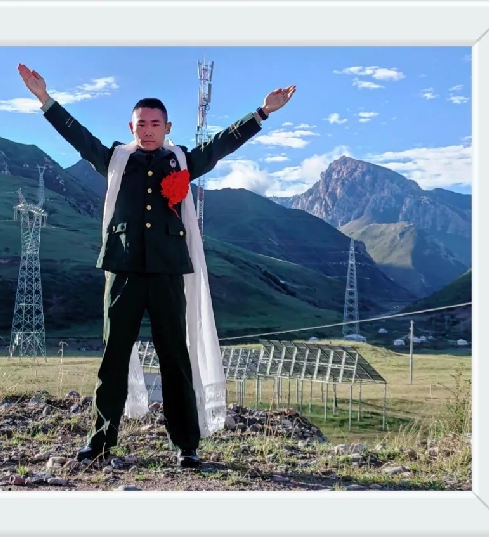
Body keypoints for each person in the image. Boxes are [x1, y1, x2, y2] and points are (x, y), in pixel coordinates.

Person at [17, 63, 296, 467]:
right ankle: (101, 441)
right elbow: (78, 136)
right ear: (130, 127)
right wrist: (45, 99)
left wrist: (262, 112)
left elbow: (221, 144)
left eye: (155, 124)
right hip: (124, 271)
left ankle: (186, 445)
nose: (147, 130)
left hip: (167, 273)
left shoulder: (182, 162)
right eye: (141, 124)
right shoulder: (114, 160)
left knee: (174, 359)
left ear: (167, 127)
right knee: (114, 357)